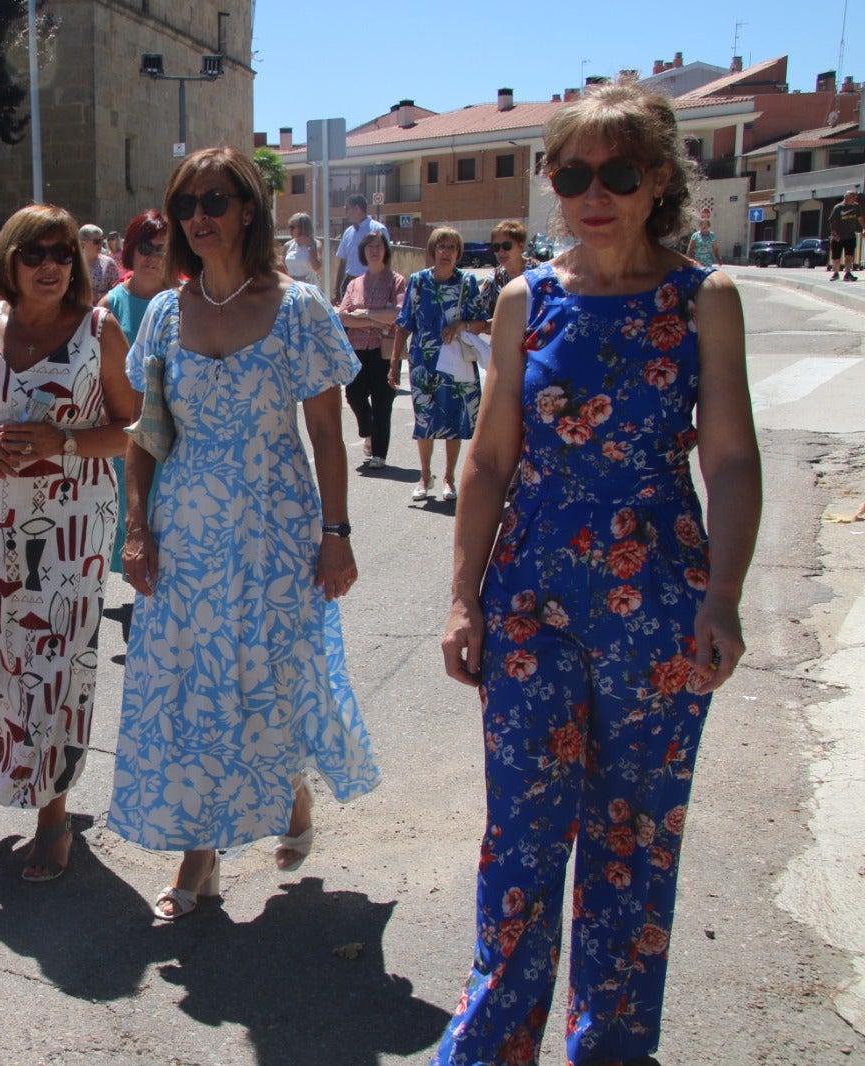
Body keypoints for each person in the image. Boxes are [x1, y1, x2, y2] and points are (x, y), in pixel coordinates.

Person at [434, 84, 762, 1066]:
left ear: (658, 178)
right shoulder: (521, 301)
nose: (594, 192)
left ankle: (609, 1041)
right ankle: (495, 1039)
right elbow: (489, 459)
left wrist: (723, 597)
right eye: (571, 173)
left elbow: (733, 458)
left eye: (619, 172)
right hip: (528, 599)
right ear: (550, 182)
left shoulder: (703, 299)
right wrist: (461, 596)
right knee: (522, 834)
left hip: (657, 604)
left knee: (633, 835)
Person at [107, 146, 380, 920]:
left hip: (277, 525)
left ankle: (290, 792)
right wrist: (136, 529)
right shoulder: (163, 312)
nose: (199, 218)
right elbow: (144, 433)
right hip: (185, 529)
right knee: (194, 685)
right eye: (186, 205)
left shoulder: (298, 308)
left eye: (216, 201)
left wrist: (337, 532)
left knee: (271, 673)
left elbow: (327, 434)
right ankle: (202, 856)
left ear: (249, 210)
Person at [0, 204, 136, 882]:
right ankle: (18, 767)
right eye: (36, 253)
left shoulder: (98, 331)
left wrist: (66, 440)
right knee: (0, 661)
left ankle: (54, 812)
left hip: (73, 527)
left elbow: (138, 429)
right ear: (11, 260)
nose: (51, 264)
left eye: (62, 253)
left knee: (61, 668)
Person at [391, 226, 488, 503]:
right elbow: (404, 323)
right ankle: (424, 476)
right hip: (424, 363)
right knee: (425, 422)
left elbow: (481, 322)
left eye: (451, 248)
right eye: (441, 247)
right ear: (433, 251)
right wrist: (395, 362)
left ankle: (448, 478)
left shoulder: (467, 282)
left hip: (455, 363)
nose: (446, 252)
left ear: (458, 253)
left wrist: (460, 324)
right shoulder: (419, 281)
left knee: (453, 421)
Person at [98, 209, 171, 575]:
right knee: (130, 509)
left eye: (161, 248)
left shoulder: (181, 301)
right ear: (130, 249)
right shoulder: (110, 305)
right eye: (145, 246)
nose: (152, 256)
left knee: (166, 511)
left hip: (172, 428)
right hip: (126, 428)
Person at [337, 229, 405, 470]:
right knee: (353, 394)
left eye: (378, 246)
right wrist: (376, 320)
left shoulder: (395, 281)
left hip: (383, 349)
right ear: (363, 252)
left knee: (382, 400)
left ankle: (379, 454)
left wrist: (364, 314)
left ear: (386, 250)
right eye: (369, 247)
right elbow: (343, 316)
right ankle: (368, 430)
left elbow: (397, 314)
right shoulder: (354, 283)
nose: (374, 251)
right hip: (357, 349)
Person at [333, 194, 390, 298]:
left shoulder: (378, 229)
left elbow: (386, 258)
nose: (345, 212)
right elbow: (342, 261)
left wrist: (384, 283)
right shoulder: (348, 232)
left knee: (369, 313)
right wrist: (336, 289)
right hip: (350, 282)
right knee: (347, 313)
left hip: (371, 282)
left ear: (357, 208)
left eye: (347, 208)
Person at [478, 219, 534, 321]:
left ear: (521, 246)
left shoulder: (539, 272)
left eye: (506, 246)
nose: (501, 251)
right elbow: (483, 318)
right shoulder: (493, 280)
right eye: (496, 247)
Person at [80, 223, 121, 301]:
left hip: (100, 310)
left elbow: (117, 292)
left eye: (101, 241)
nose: (100, 245)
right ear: (83, 243)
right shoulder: (72, 263)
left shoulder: (109, 264)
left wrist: (97, 296)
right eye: (96, 242)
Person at [283, 212, 323, 286]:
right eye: (289, 227)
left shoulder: (315, 244)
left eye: (292, 227)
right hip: (292, 286)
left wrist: (309, 247)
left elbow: (316, 267)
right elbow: (283, 269)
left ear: (302, 228)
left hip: (309, 286)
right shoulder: (288, 245)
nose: (290, 230)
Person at [829, 188, 860, 282]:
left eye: (855, 197)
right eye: (853, 197)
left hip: (850, 236)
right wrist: (834, 234)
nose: (855, 198)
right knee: (836, 257)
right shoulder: (838, 208)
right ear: (847, 197)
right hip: (838, 236)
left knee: (849, 256)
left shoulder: (856, 207)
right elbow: (832, 221)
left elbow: (861, 218)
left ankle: (847, 273)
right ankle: (836, 273)